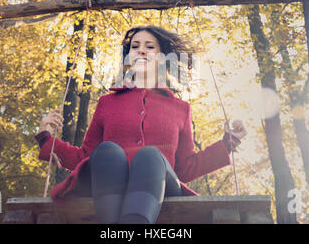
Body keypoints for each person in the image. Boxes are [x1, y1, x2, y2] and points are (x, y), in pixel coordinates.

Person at [34, 25, 247, 224]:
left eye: (149, 46)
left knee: (150, 155)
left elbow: (185, 168)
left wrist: (228, 143)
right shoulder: (107, 103)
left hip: (160, 187)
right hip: (109, 187)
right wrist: (46, 138)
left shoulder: (180, 108)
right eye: (135, 47)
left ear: (162, 58)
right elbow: (85, 157)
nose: (141, 51)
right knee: (107, 150)